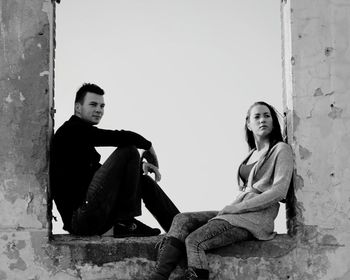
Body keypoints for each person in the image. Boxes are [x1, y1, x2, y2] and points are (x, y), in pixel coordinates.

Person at [149, 101, 294, 280]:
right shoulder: (250, 155)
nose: (262, 120)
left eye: (267, 116)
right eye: (257, 117)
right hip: (235, 214)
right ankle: (158, 276)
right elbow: (243, 194)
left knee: (194, 241)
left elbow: (279, 192)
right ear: (248, 124)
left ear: (273, 122)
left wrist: (236, 209)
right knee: (182, 220)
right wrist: (228, 210)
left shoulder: (281, 149)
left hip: (255, 220)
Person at [50, 83, 179, 237]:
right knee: (129, 150)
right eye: (93, 104)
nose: (99, 110)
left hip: (92, 213)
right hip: (81, 218)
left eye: (102, 106)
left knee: (143, 181)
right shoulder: (71, 130)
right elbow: (119, 137)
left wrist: (137, 169)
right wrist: (149, 148)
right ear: (78, 107)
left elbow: (104, 176)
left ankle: (180, 228)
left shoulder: (81, 141)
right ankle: (124, 221)